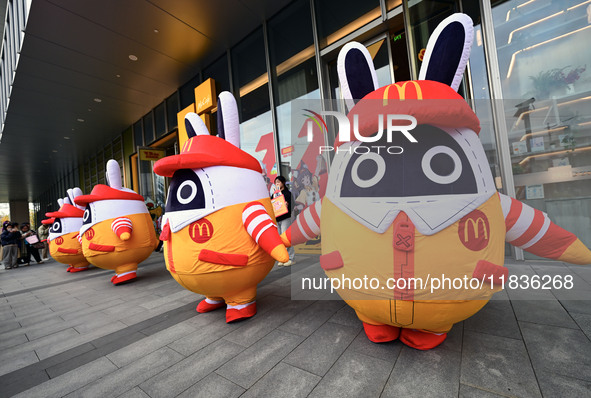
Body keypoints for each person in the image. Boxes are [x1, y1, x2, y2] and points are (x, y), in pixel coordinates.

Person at [272, 176, 295, 266]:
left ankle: (291, 258)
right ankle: (283, 258)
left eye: (279, 182)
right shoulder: (274, 194)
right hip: (277, 219)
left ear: (283, 182)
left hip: (285, 218)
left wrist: (287, 206)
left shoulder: (287, 193)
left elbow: (292, 205)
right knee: (279, 240)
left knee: (287, 238)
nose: (277, 184)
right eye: (276, 182)